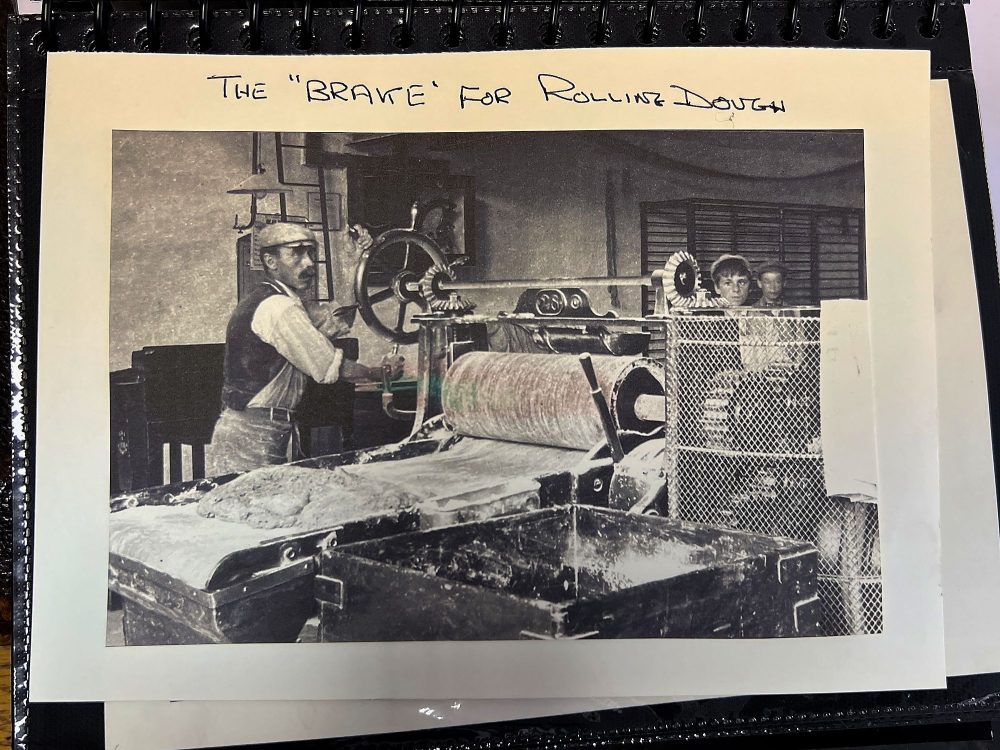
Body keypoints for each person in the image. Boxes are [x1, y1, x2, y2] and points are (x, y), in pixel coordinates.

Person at [208, 222, 404, 475]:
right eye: (297, 253)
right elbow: (330, 367)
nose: (309, 263)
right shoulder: (279, 308)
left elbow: (338, 319)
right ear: (270, 260)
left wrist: (355, 262)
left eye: (311, 253)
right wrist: (380, 373)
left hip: (268, 430)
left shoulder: (286, 301)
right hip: (249, 437)